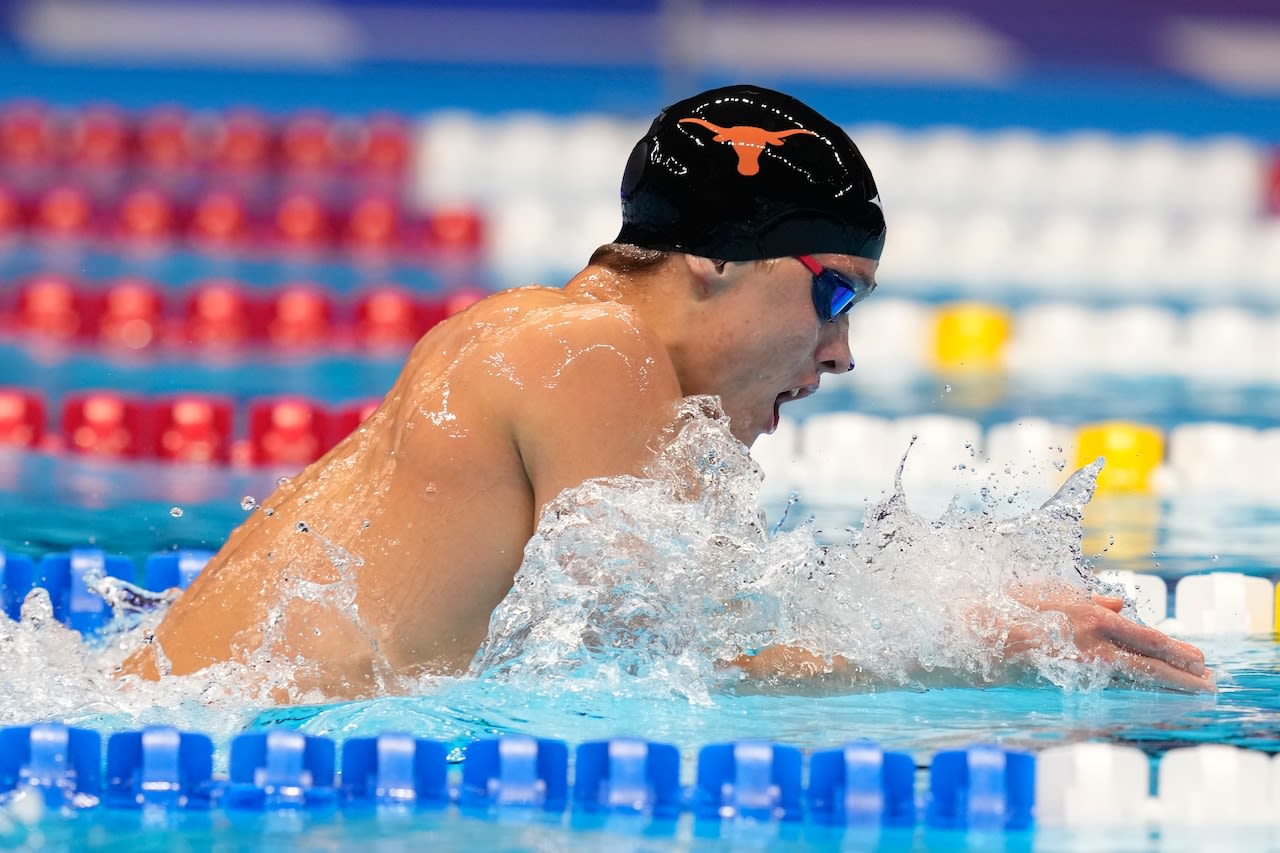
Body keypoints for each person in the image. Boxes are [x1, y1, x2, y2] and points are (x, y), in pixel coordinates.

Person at [119, 84, 1212, 699]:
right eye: (833, 293)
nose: (839, 356)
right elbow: (659, 674)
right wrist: (971, 642)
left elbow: (641, 643)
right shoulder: (590, 353)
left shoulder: (532, 332)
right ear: (716, 256)